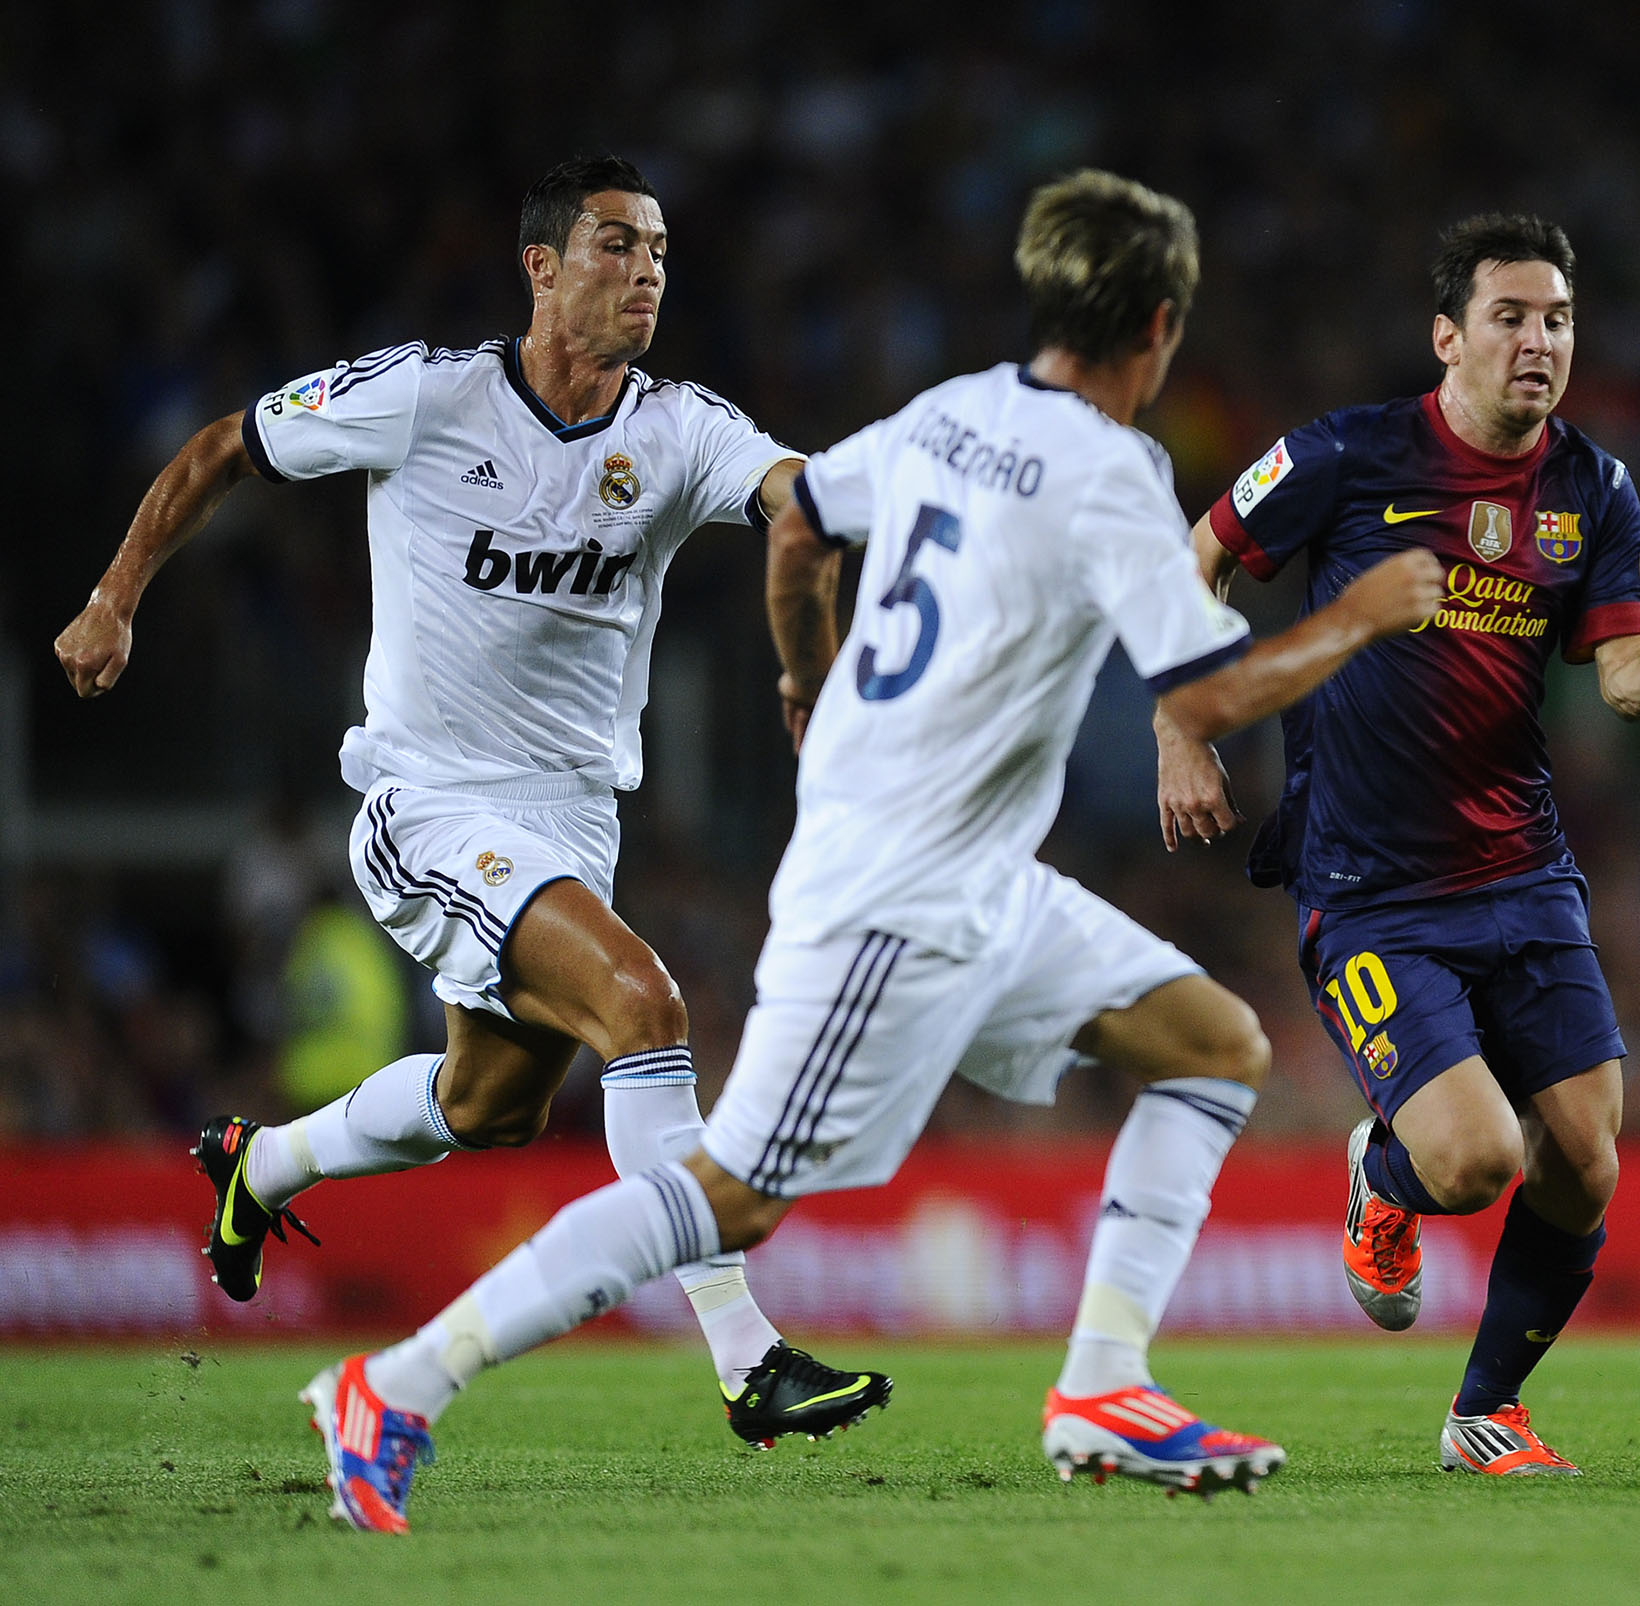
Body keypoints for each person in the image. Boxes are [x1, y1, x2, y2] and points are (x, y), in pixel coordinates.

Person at [295, 168, 1444, 1532]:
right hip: (896, 894)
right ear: (1160, 325)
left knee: (1213, 1046)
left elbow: (803, 525)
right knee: (726, 1197)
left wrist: (805, 674)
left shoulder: (950, 413)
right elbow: (1204, 695)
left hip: (974, 875)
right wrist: (1363, 610)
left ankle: (1103, 1384)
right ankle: (399, 1383)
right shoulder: (1112, 472)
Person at [53, 155, 885, 1447]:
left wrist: (894, 503)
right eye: (618, 246)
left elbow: (799, 495)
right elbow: (228, 446)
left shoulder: (677, 427)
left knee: (485, 1106)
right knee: (647, 1006)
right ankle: (747, 1354)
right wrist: (115, 598)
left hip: (572, 820)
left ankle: (257, 1165)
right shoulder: (427, 396)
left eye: (661, 252)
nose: (648, 272)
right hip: (430, 804)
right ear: (542, 266)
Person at [1156, 212, 1640, 1475]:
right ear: (1449, 336)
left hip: (1523, 869)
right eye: (1512, 317)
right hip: (1370, 888)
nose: (1540, 342)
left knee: (1585, 1153)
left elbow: (1620, 674)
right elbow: (1193, 559)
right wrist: (1181, 721)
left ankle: (1488, 1410)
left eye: (1559, 319)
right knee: (1473, 1158)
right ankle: (1386, 1170)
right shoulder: (1347, 456)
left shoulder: (1595, 487)